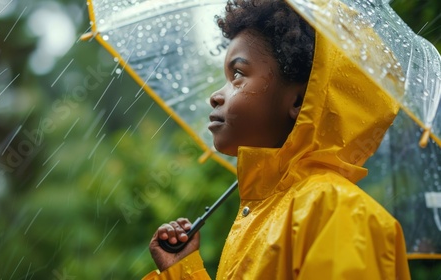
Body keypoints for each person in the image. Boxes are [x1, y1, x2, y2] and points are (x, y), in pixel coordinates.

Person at [143, 0, 411, 279]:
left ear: (298, 100)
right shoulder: (262, 212)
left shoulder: (337, 212)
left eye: (237, 75)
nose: (216, 96)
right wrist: (182, 271)